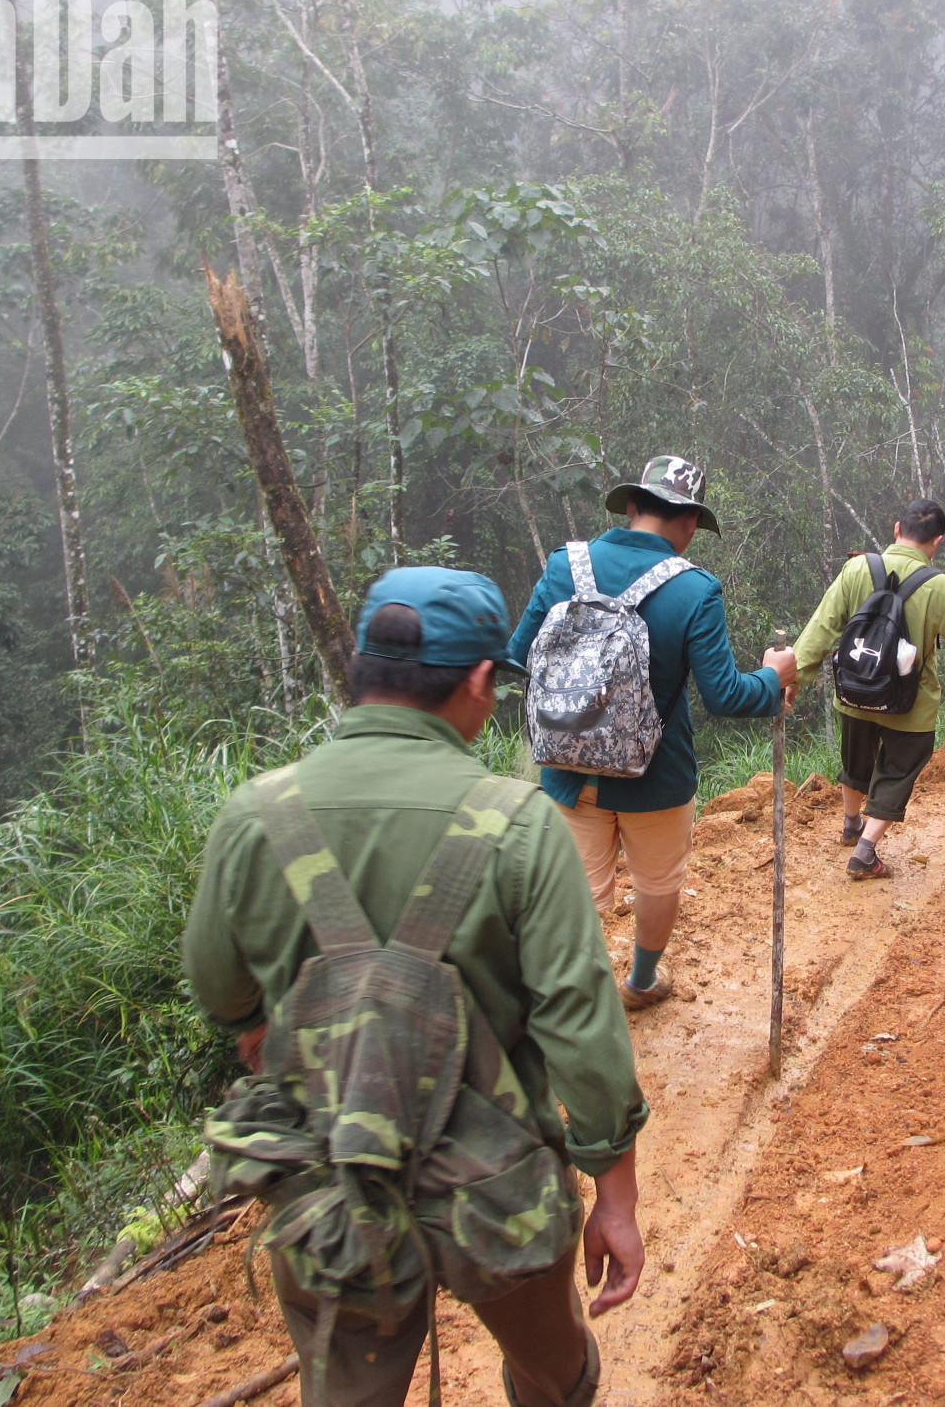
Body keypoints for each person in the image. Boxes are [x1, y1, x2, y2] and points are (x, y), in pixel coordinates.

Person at [185, 568, 648, 1407]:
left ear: (361, 670)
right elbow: (580, 1027)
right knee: (554, 1372)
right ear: (477, 680)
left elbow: (218, 987)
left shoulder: (256, 814)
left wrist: (266, 1025)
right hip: (496, 1185)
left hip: (331, 1183)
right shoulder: (520, 824)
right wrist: (614, 1190)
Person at [511, 454, 799, 1010]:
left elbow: (519, 655)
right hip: (656, 777)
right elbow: (727, 696)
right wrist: (773, 676)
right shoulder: (695, 590)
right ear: (690, 523)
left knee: (578, 895)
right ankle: (641, 982)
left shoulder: (563, 565)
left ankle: (575, 1000)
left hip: (567, 768)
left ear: (633, 504)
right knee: (657, 883)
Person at [791, 497, 945, 880]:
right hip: (910, 703)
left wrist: (793, 678)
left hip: (856, 689)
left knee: (855, 760)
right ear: (938, 541)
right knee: (898, 769)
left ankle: (851, 825)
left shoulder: (856, 568)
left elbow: (821, 627)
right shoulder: (940, 588)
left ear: (897, 530)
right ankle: (865, 851)